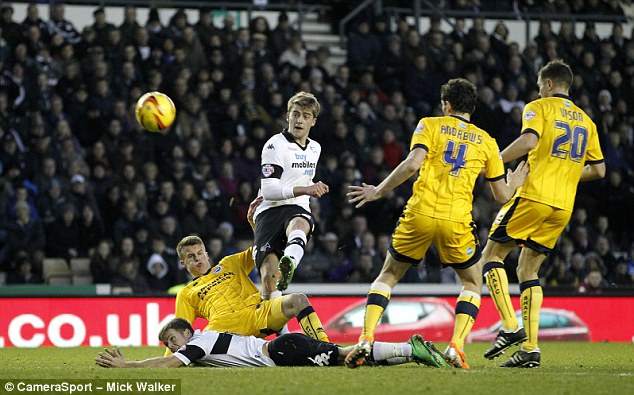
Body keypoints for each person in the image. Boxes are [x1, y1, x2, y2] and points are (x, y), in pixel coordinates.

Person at [345, 78, 529, 369]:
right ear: (472, 107)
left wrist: (378, 191)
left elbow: (411, 164)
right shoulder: (487, 142)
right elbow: (500, 195)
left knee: (388, 275)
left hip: (420, 212)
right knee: (471, 281)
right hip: (456, 220)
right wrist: (515, 183)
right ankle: (456, 346)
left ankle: (366, 339)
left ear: (447, 105)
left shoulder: (429, 125)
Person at [480, 59, 605, 368]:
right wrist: (567, 173)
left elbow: (528, 141)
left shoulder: (540, 107)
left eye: (539, 86)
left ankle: (510, 326)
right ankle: (531, 348)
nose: (538, 90)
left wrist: (493, 160)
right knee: (527, 270)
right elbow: (600, 170)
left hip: (534, 195)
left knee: (491, 257)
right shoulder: (587, 122)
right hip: (562, 205)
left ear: (548, 85)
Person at [96, 317, 447, 368]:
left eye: (173, 340)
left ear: (187, 333)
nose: (173, 348)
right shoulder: (202, 340)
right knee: (344, 357)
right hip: (284, 346)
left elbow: (173, 363)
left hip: (282, 350)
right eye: (170, 344)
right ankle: (411, 352)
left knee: (345, 357)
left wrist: (128, 366)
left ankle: (410, 348)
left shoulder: (201, 342)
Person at [253, 91, 329, 299]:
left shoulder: (315, 148)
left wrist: (314, 186)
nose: (299, 120)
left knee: (299, 223)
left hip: (297, 207)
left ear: (313, 121)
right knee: (269, 281)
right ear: (288, 116)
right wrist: (308, 189)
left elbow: (301, 181)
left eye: (305, 116)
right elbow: (269, 190)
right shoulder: (275, 145)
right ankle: (279, 330)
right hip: (269, 210)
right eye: (295, 114)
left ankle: (290, 263)